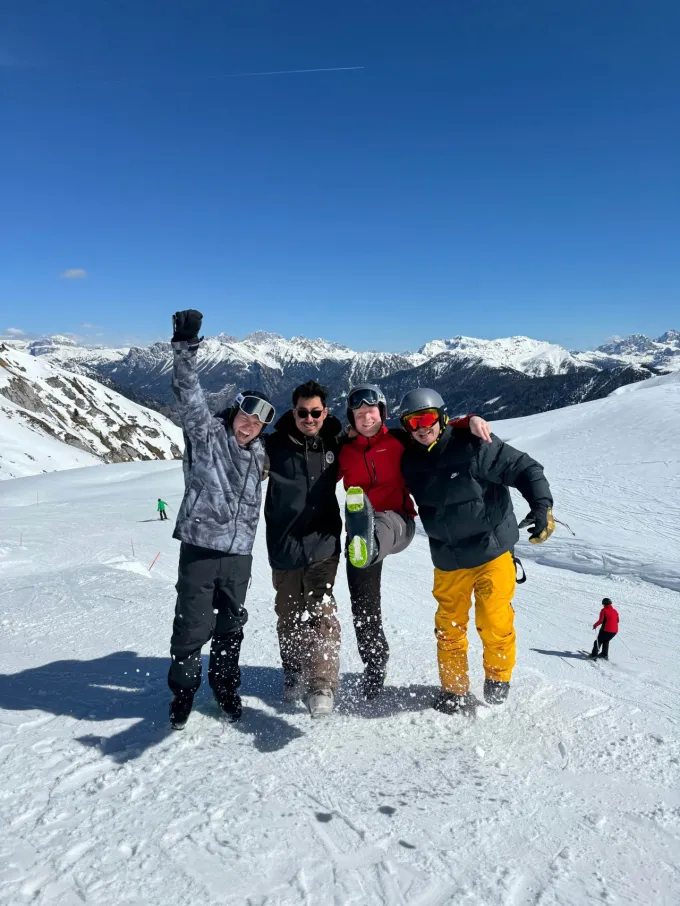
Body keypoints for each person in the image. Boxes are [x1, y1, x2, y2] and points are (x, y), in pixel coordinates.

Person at [399, 388, 555, 714]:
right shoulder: (408, 458)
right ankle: (454, 690)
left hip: (491, 551)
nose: (421, 428)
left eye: (427, 419)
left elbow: (524, 468)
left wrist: (542, 506)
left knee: (493, 619)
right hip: (448, 559)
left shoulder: (473, 446)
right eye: (412, 422)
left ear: (442, 417)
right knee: (449, 629)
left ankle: (498, 676)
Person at [338, 383, 492, 699]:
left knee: (377, 526)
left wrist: (471, 420)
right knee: (363, 604)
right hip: (359, 535)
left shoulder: (399, 439)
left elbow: (433, 428)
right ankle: (375, 663)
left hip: (398, 521)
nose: (366, 417)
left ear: (382, 413)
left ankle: (366, 538)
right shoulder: (345, 451)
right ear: (351, 418)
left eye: (372, 411)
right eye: (359, 413)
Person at [167, 309, 275, 730]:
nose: (250, 426)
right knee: (192, 626)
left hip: (239, 555)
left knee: (231, 627)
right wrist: (185, 346)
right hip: (200, 547)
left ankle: (225, 687)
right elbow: (187, 393)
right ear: (234, 412)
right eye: (246, 416)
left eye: (258, 422)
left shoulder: (260, 454)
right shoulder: (208, 435)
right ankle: (183, 693)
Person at [263, 380, 344, 718]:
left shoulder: (337, 441)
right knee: (289, 615)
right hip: (284, 546)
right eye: (302, 412)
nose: (309, 418)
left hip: (323, 543)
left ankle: (321, 684)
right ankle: (294, 671)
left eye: (315, 412)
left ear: (325, 412)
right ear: (293, 412)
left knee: (321, 611)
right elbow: (236, 448)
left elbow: (379, 439)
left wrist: (464, 423)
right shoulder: (273, 446)